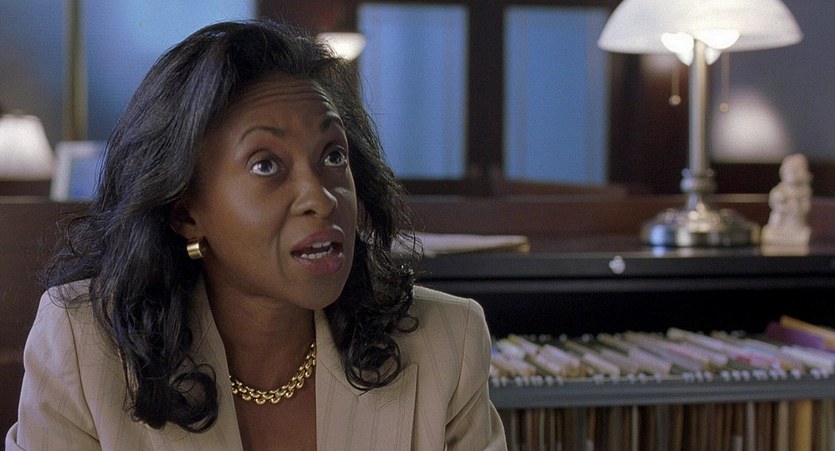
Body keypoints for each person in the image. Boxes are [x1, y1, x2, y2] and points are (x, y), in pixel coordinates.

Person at [5, 19, 507, 450]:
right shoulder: (84, 350)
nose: (321, 198)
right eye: (266, 164)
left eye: (333, 156)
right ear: (185, 212)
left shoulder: (446, 343)